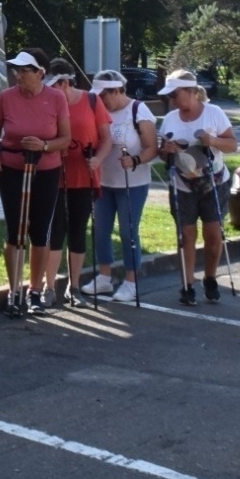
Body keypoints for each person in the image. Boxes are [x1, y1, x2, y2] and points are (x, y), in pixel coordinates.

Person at [0, 50, 70, 317]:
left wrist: (43, 145)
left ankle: (35, 290)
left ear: (40, 73)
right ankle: (14, 291)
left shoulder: (56, 98)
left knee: (40, 230)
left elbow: (65, 139)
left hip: (46, 169)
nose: (18, 75)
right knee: (15, 230)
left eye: (24, 70)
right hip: (12, 168)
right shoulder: (6, 97)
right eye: (16, 70)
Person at [158, 69, 238, 305]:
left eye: (175, 94)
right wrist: (166, 151)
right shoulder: (170, 118)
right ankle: (188, 285)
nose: (172, 99)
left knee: (213, 234)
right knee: (186, 235)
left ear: (191, 92)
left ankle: (210, 278)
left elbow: (232, 145)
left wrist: (212, 140)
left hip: (214, 182)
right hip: (183, 184)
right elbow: (163, 154)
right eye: (170, 95)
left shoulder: (214, 113)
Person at [81, 69, 158, 304]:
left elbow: (152, 147)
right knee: (101, 230)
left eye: (103, 95)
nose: (100, 100)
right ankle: (105, 277)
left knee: (127, 231)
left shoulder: (138, 110)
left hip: (132, 183)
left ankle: (131, 282)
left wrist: (135, 160)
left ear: (116, 91)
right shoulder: (99, 109)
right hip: (104, 181)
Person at [41, 58, 101, 306]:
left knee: (78, 232)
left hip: (84, 177)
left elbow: (106, 138)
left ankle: (73, 287)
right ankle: (48, 287)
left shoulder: (91, 100)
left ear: (65, 83)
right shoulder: (49, 102)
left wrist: (97, 159)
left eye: (55, 85)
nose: (51, 89)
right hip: (54, 177)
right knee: (55, 233)